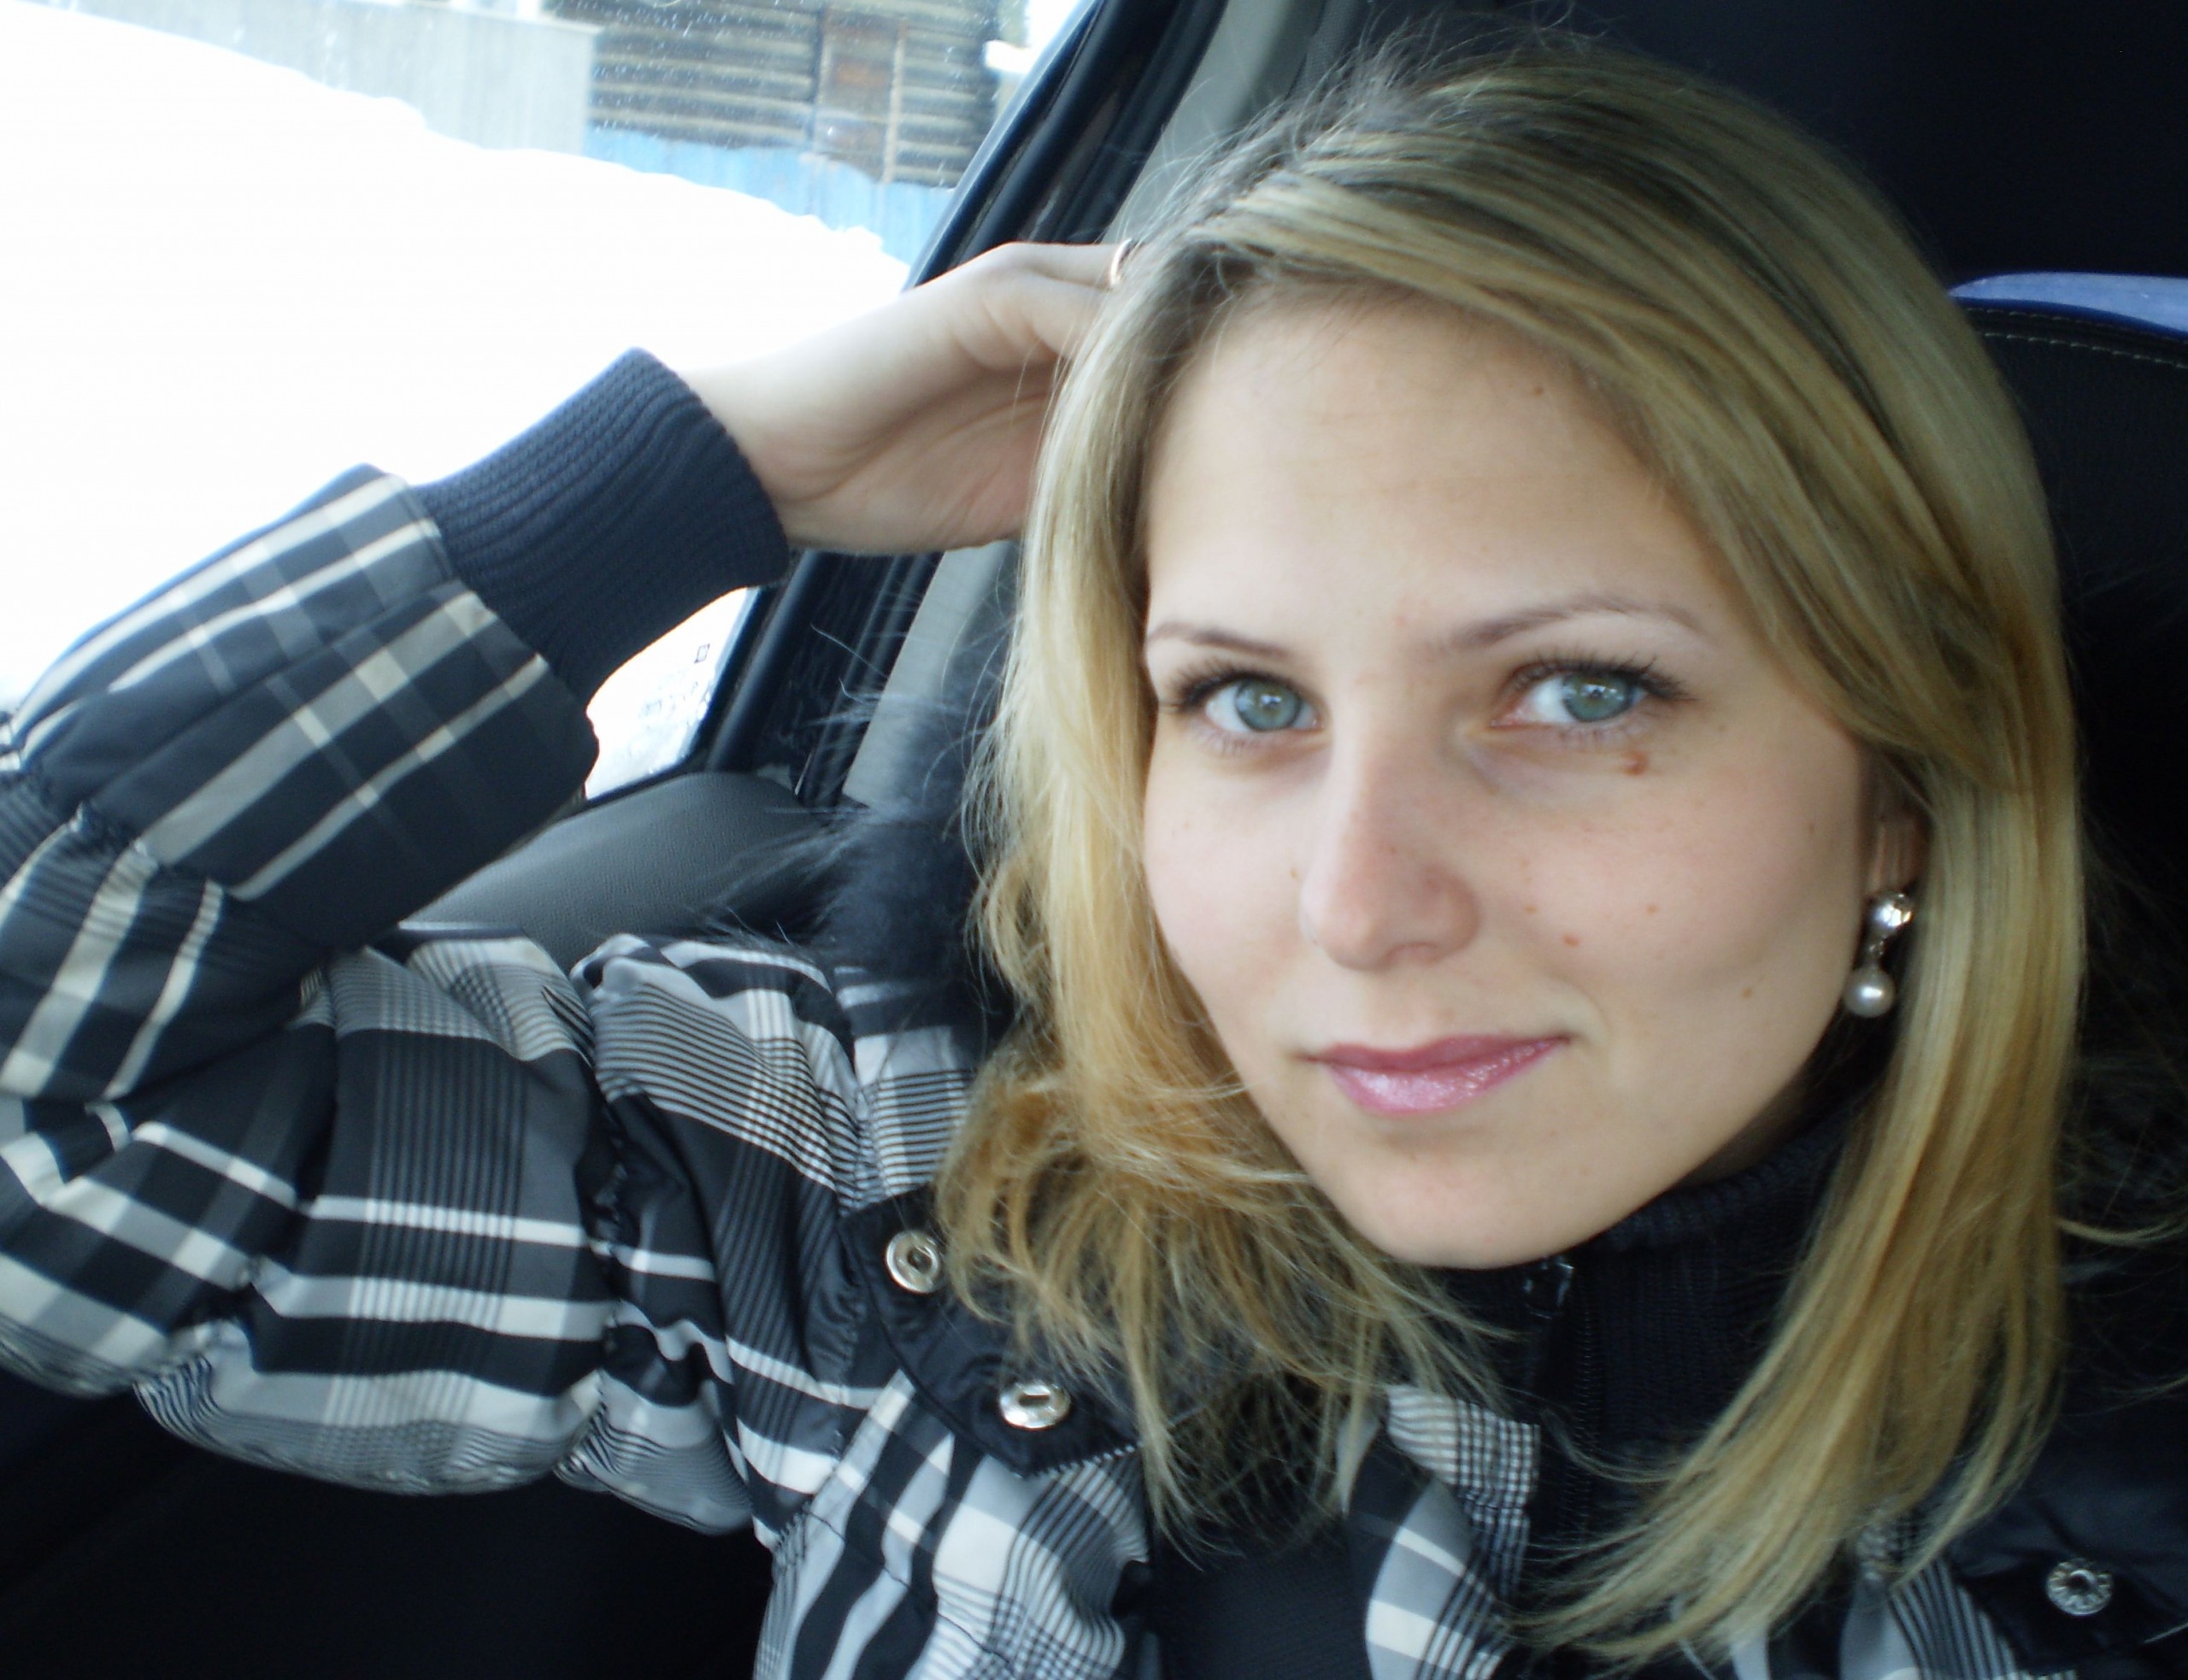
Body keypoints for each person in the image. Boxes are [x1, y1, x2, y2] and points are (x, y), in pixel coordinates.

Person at [0, 39, 2182, 1680]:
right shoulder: (902, 1201)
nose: (1353, 906)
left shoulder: (2113, 1472)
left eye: (1578, 689)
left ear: (1904, 775)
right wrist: (673, 483)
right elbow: (49, 1118)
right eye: (1245, 699)